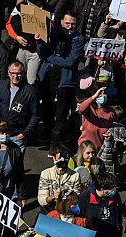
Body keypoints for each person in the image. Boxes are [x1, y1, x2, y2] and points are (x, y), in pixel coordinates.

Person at [37, 12, 84, 153]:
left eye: (73, 24)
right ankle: (47, 132)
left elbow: (70, 62)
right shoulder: (53, 33)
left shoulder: (78, 38)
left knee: (61, 113)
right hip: (48, 77)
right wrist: (39, 41)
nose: (70, 27)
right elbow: (42, 53)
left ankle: (55, 144)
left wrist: (51, 58)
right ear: (61, 22)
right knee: (46, 108)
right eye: (67, 23)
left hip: (65, 82)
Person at [0, 60, 40, 151]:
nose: (15, 76)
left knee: (16, 164)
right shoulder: (1, 85)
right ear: (8, 73)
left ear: (23, 73)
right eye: (12, 73)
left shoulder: (30, 92)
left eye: (18, 73)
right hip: (0, 135)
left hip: (17, 137)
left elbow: (35, 115)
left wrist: (25, 133)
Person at [38, 145, 84, 212]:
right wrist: (53, 196)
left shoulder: (75, 176)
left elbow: (77, 198)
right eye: (59, 158)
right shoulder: (45, 174)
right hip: (49, 209)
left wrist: (66, 197)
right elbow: (42, 200)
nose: (61, 168)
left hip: (67, 210)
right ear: (53, 158)